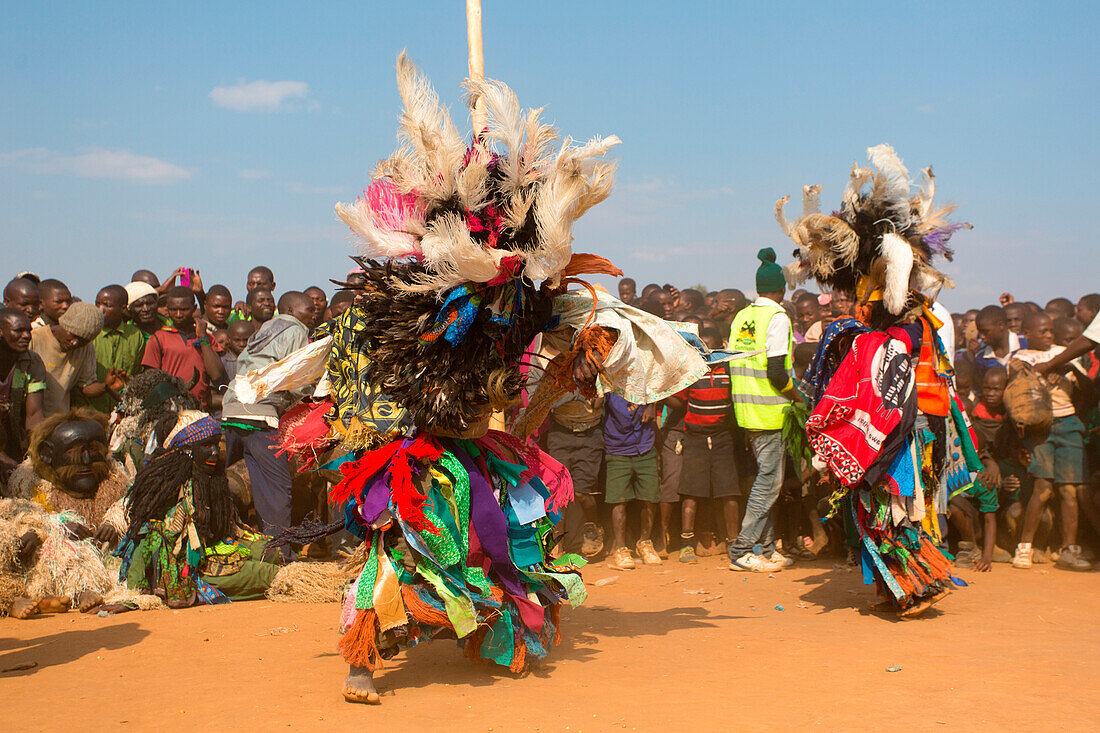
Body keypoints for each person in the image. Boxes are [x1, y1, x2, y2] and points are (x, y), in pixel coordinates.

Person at [229, 56, 702, 704]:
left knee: (502, 537)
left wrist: (579, 360)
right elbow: (365, 357)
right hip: (415, 450)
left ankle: (484, 633)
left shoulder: (525, 302)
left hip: (478, 448)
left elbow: (571, 338)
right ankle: (363, 656)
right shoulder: (413, 303)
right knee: (393, 551)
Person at [117, 410, 282, 605]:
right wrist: (132, 597)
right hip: (191, 567)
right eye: (206, 445)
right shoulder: (169, 489)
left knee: (272, 553)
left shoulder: (213, 480)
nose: (214, 452)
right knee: (272, 575)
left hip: (219, 548)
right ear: (187, 450)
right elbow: (146, 541)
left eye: (216, 444)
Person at [220, 291, 313, 555]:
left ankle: (233, 546)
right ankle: (279, 555)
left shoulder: (265, 329)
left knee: (237, 482)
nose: (312, 313)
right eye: (307, 309)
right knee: (275, 488)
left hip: (233, 409)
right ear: (293, 310)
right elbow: (298, 376)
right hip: (260, 415)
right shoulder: (296, 329)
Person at [726, 248, 800, 573]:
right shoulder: (778, 318)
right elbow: (776, 372)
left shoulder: (742, 317)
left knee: (766, 482)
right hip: (771, 412)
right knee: (768, 484)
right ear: (782, 290)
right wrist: (798, 398)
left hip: (746, 412)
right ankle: (742, 550)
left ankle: (767, 550)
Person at [1009, 312, 1091, 571]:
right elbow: (1018, 389)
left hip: (1068, 424)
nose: (1049, 335)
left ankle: (1069, 550)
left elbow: (1088, 390)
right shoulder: (1020, 358)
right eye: (1042, 331)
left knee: (1069, 490)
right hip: (1041, 427)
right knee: (1042, 487)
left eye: (1050, 331)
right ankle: (1025, 547)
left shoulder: (1066, 352)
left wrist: (1067, 367)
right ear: (1028, 334)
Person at [671, 324, 740, 564]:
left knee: (728, 491)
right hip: (695, 438)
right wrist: (659, 393)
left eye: (713, 350)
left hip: (722, 438)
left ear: (721, 348)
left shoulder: (729, 370)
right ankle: (686, 544)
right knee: (691, 492)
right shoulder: (692, 372)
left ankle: (733, 542)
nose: (708, 355)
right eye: (704, 351)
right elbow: (679, 401)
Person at [6, 409, 129, 543]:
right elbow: (22, 521)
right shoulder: (29, 486)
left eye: (94, 450)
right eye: (73, 453)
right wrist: (54, 528)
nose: (86, 460)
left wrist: (116, 521)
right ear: (47, 454)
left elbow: (130, 503)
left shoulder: (115, 480)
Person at [602, 393, 662, 569]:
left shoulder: (644, 375)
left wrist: (653, 404)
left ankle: (645, 542)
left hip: (645, 445)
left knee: (651, 496)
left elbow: (662, 384)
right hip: (617, 447)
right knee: (618, 500)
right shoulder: (609, 379)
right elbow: (596, 402)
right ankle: (621, 548)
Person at [140, 287, 224, 408]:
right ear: (167, 309)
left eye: (184, 309)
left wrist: (202, 337)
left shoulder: (207, 337)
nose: (178, 314)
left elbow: (216, 374)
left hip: (200, 410)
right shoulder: (158, 338)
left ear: (194, 308)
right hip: (170, 410)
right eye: (174, 310)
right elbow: (150, 381)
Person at [31, 302, 109, 416]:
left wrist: (106, 386)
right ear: (63, 325)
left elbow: (86, 386)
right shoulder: (35, 339)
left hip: (59, 420)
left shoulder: (86, 349)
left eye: (83, 341)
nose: (75, 343)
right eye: (72, 335)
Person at [76, 285, 145, 414]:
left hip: (122, 411)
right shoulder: (88, 335)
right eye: (98, 304)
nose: (100, 310)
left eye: (107, 305)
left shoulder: (136, 336)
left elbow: (137, 373)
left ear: (123, 308)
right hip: (89, 411)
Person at [0, 309, 46, 480]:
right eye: (18, 331)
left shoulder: (32, 362)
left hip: (10, 437)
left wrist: (35, 456)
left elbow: (34, 414)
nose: (26, 336)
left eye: (28, 330)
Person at [975, 305, 1026, 374]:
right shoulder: (981, 357)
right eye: (980, 332)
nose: (982, 336)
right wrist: (1008, 373)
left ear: (1001, 325)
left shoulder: (1025, 343)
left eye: (985, 331)